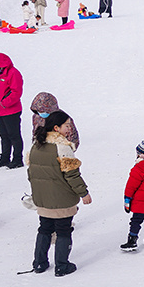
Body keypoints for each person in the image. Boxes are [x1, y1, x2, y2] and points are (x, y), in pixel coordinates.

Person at [26, 110, 92, 276]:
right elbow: (72, 175)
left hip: (42, 199)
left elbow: (31, 174)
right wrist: (84, 193)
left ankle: (39, 263)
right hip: (62, 200)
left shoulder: (36, 146)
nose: (69, 128)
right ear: (56, 127)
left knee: (44, 229)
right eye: (67, 125)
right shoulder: (63, 148)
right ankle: (62, 265)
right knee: (63, 231)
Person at [0, 53, 25, 169]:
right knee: (3, 135)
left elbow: (16, 92)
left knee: (14, 135)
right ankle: (4, 158)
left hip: (11, 110)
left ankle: (17, 159)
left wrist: (4, 103)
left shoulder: (13, 73)